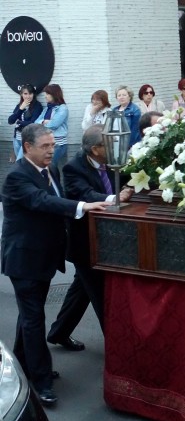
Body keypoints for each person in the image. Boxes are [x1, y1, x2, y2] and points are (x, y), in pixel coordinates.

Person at [1, 123, 108, 406]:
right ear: (27, 148)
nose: (52, 151)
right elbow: (43, 201)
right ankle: (41, 381)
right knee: (34, 318)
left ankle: (22, 364)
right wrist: (82, 206)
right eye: (45, 147)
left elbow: (54, 201)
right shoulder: (16, 178)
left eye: (52, 145)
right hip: (24, 260)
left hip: (45, 257)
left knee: (29, 315)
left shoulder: (52, 170)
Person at [47, 125, 133, 346]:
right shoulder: (73, 168)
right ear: (95, 149)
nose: (115, 147)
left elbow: (129, 179)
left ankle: (58, 332)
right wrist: (115, 196)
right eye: (109, 143)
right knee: (101, 296)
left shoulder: (112, 161)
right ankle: (118, 349)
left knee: (81, 291)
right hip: (87, 245)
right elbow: (87, 195)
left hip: (108, 241)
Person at [36, 83, 69, 173]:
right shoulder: (47, 108)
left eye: (47, 94)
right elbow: (36, 122)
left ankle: (54, 186)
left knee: (51, 168)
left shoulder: (62, 108)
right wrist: (43, 122)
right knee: (47, 168)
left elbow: (54, 124)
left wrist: (45, 122)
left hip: (58, 144)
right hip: (46, 142)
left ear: (54, 94)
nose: (45, 96)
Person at [8, 83, 43, 159]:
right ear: (21, 94)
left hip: (28, 139)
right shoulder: (20, 105)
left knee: (20, 161)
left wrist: (19, 122)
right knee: (20, 163)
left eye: (30, 93)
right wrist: (21, 109)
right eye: (25, 94)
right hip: (17, 137)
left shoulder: (37, 106)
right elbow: (10, 121)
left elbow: (33, 123)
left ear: (33, 94)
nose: (28, 96)